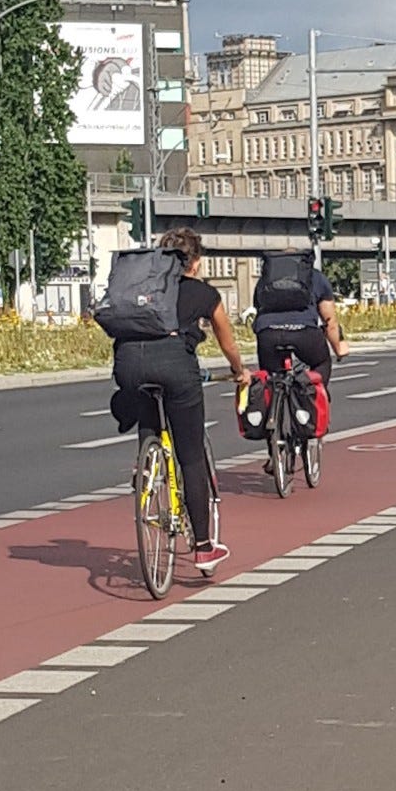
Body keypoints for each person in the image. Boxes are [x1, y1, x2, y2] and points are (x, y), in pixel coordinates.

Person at [112, 227, 248, 575]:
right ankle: (203, 547)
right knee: (190, 455)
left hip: (128, 365)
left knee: (147, 408)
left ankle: (147, 467)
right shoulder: (203, 292)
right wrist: (239, 371)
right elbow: (227, 342)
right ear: (195, 262)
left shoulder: (140, 286)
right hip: (176, 366)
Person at [252, 253, 350, 392]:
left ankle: (269, 403)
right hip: (304, 332)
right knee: (321, 363)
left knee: (269, 378)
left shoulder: (265, 279)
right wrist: (338, 348)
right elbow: (330, 321)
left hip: (268, 334)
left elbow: (258, 309)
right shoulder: (316, 277)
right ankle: (312, 394)